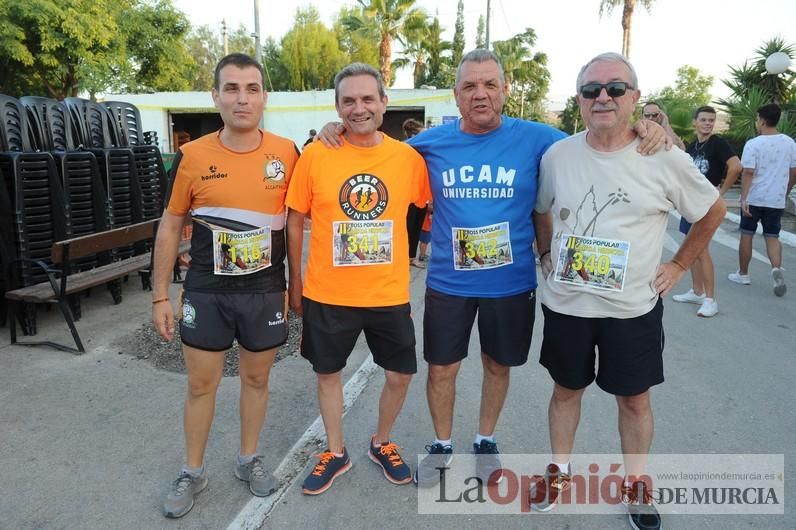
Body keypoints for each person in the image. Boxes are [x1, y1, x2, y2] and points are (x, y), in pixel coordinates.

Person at [317, 49, 667, 489]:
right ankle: (442, 445)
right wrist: (336, 130)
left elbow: (599, 134)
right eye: (469, 87)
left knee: (497, 366)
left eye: (488, 85)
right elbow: (374, 153)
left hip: (510, 283)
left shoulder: (542, 139)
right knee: (442, 369)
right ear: (457, 95)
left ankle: (485, 439)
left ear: (504, 90)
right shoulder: (426, 145)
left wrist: (642, 125)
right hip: (448, 282)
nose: (479, 94)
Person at [530, 52, 726, 530]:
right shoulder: (558, 155)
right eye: (591, 89)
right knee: (565, 389)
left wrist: (680, 264)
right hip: (568, 305)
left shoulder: (662, 156)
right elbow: (541, 209)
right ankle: (559, 471)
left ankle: (636, 484)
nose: (603, 97)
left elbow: (712, 210)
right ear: (578, 100)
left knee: (635, 400)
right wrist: (545, 254)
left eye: (615, 89)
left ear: (635, 98)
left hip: (632, 309)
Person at [151, 53, 300, 518]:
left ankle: (248, 460)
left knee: (257, 379)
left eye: (251, 88)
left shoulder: (288, 153)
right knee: (201, 385)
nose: (242, 98)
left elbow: (300, 221)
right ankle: (192, 471)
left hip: (263, 292)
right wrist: (160, 294)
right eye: (231, 88)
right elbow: (171, 225)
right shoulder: (192, 156)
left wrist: (296, 289)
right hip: (207, 292)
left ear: (264, 97)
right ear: (215, 96)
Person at [285, 63, 430, 495]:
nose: (359, 108)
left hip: (387, 293)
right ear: (337, 107)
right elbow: (294, 221)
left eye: (368, 98)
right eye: (348, 100)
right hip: (328, 292)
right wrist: (295, 285)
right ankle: (335, 450)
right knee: (327, 372)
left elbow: (426, 207)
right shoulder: (316, 154)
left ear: (384, 104)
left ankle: (381, 441)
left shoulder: (407, 158)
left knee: (400, 374)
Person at [671, 106, 742, 316]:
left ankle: (711, 300)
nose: (708, 123)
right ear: (695, 122)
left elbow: (736, 166)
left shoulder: (718, 144)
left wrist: (721, 192)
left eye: (711, 120)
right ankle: (697, 291)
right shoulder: (693, 146)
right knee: (691, 248)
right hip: (690, 204)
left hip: (706, 206)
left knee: (701, 250)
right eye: (704, 120)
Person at [728, 103, 796, 296]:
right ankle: (776, 269)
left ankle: (743, 274)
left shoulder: (753, 144)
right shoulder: (790, 143)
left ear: (763, 120)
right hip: (775, 199)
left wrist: (744, 198)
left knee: (747, 234)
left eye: (758, 119)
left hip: (755, 198)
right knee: (772, 236)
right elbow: (793, 171)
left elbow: (749, 171)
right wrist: (786, 189)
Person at [402, 118, 428, 268]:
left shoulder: (424, 150)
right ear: (413, 136)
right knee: (407, 228)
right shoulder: (403, 150)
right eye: (422, 134)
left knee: (417, 228)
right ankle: (403, 258)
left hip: (422, 195)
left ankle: (412, 258)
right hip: (408, 196)